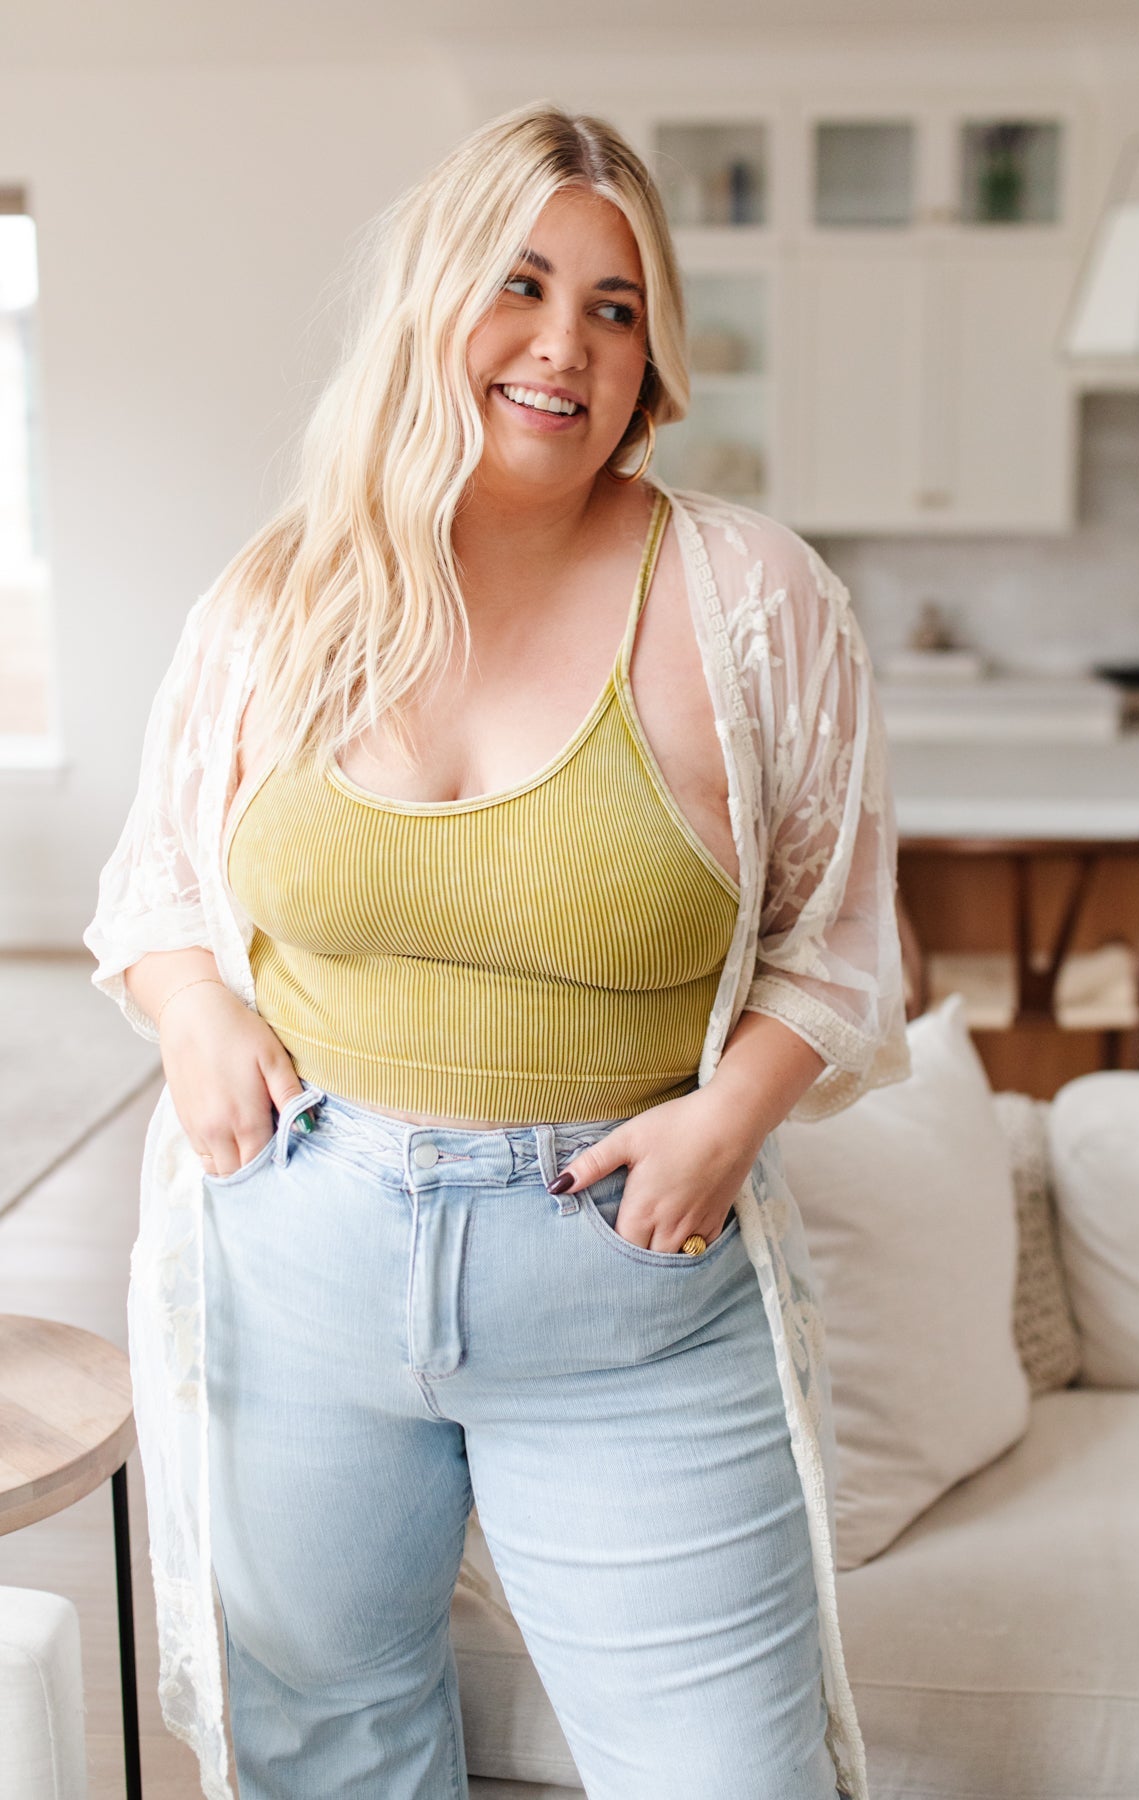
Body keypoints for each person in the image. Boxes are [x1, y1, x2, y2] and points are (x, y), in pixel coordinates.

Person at [84, 102, 910, 1800]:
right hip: (294, 1262)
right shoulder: (282, 598)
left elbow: (836, 937)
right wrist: (191, 1010)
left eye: (616, 306)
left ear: (654, 355)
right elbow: (157, 876)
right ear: (430, 301)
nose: (564, 345)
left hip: (631, 1295)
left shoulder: (749, 598)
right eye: (520, 286)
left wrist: (727, 1120)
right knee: (334, 1759)